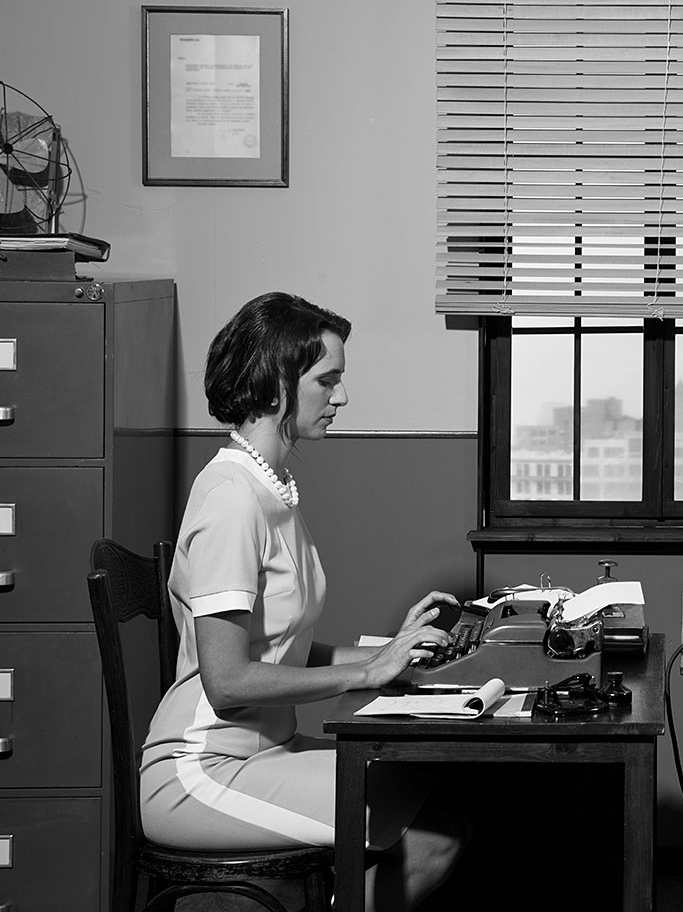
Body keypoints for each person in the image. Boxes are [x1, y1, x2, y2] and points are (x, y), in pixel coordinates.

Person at [140, 292, 466, 912]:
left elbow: (280, 648)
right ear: (275, 383)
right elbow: (227, 681)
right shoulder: (231, 499)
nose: (341, 397)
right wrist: (365, 673)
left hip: (266, 751)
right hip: (204, 769)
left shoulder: (271, 489)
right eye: (327, 380)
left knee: (436, 797)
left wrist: (391, 653)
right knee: (434, 834)